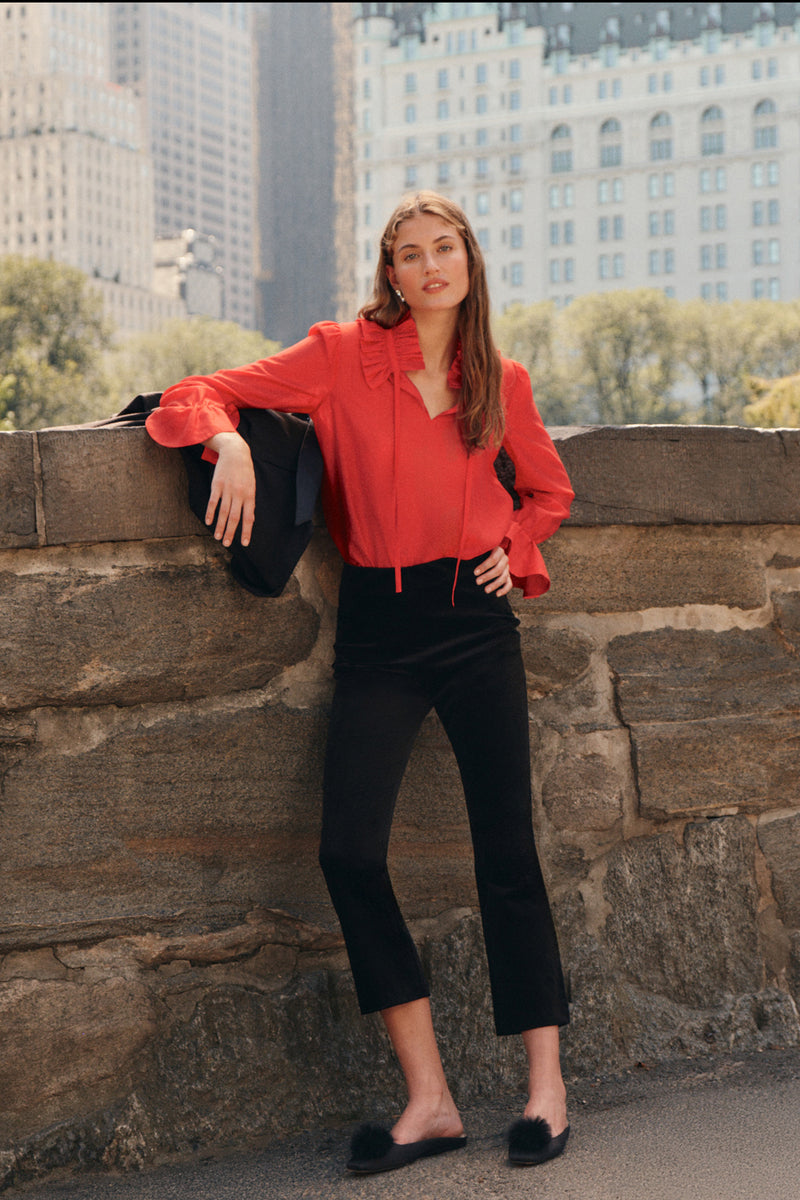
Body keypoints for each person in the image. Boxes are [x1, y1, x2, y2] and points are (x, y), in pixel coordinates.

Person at [145, 191, 574, 1175]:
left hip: (474, 623)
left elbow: (546, 489)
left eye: (444, 249)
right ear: (389, 272)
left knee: (507, 853)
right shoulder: (338, 357)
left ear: (468, 263)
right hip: (378, 627)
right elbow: (200, 386)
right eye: (408, 254)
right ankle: (427, 1100)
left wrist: (517, 543)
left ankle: (544, 1091)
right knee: (347, 853)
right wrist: (231, 440)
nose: (428, 267)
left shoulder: (499, 379)